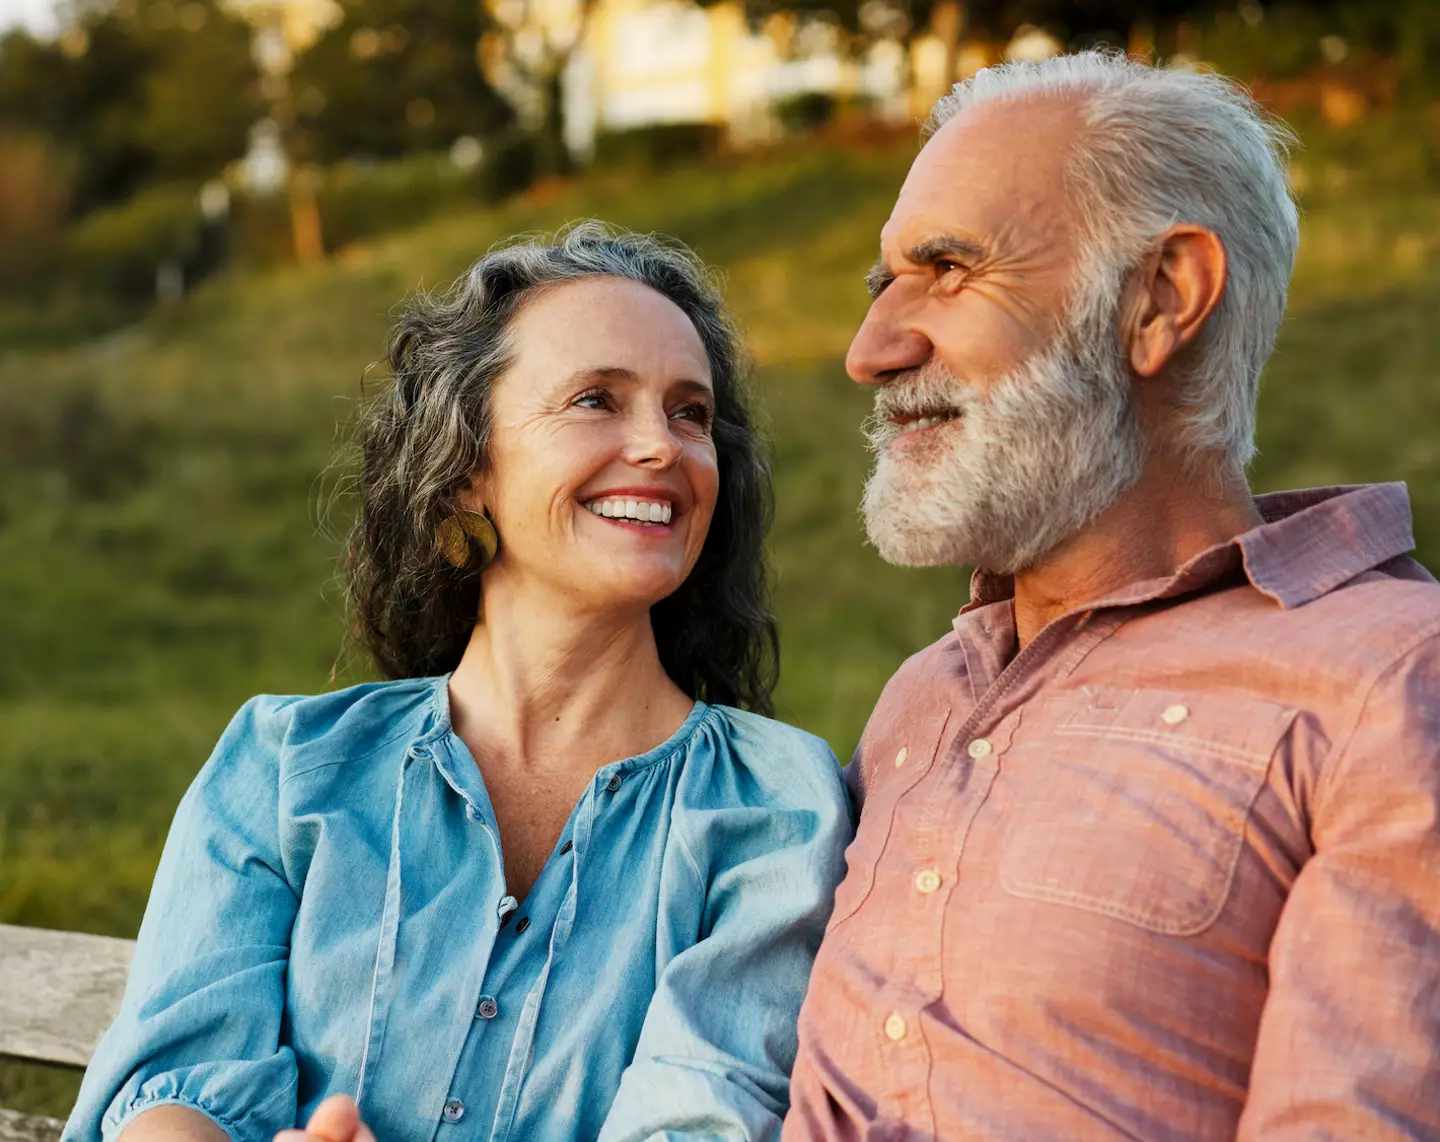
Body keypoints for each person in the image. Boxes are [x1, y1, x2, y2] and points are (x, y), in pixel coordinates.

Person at [65, 223, 852, 1142]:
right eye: (597, 399)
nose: (661, 448)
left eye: (690, 412)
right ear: (468, 470)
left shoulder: (777, 807)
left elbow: (699, 1118)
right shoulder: (285, 768)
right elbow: (172, 1090)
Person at [784, 51, 1440, 1141]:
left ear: (1160, 298)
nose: (872, 349)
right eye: (882, 285)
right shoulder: (919, 702)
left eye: (948, 268)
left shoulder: (1391, 678)